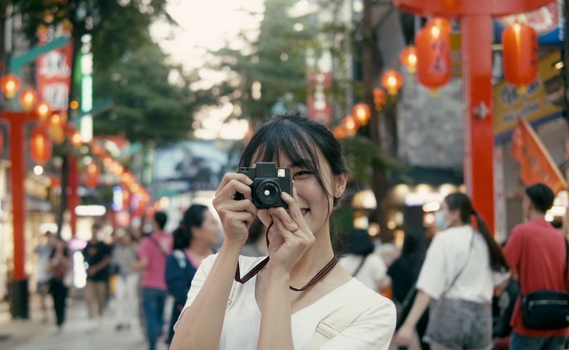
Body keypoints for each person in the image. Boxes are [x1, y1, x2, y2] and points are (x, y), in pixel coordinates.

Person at [171, 114, 396, 349]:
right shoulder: (220, 270)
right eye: (270, 178)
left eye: (301, 173)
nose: (287, 193)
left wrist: (280, 273)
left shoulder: (369, 311)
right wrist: (231, 243)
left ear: (339, 182)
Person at [396, 192, 510, 350]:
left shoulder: (444, 239)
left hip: (450, 316)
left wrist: (408, 326)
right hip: (481, 318)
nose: (439, 214)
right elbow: (503, 280)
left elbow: (427, 288)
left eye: (442, 209)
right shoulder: (484, 239)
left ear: (455, 214)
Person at [502, 183, 569, 349]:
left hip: (530, 322)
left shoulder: (521, 233)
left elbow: (503, 268)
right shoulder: (563, 239)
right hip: (560, 322)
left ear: (529, 203)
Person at [165, 204, 219, 345]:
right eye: (212, 222)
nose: (217, 228)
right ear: (196, 230)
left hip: (218, 335)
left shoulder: (221, 258)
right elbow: (183, 299)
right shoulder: (177, 260)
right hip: (188, 338)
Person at [135, 211, 173, 350]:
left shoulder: (147, 241)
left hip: (149, 284)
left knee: (150, 317)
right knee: (160, 316)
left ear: (155, 222)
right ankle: (162, 336)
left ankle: (152, 346)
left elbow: (144, 263)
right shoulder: (171, 239)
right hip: (165, 285)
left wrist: (134, 265)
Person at [387, 231, 429, 350]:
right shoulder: (425, 264)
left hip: (402, 308)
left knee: (402, 341)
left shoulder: (398, 263)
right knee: (424, 340)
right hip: (422, 309)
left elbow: (387, 282)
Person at [338, 228, 391, 293]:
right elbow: (382, 284)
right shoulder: (374, 259)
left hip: (351, 298)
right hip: (371, 299)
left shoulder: (344, 260)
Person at [82, 223, 111, 330]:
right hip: (89, 277)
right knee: (89, 297)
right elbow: (84, 259)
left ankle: (100, 315)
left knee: (100, 297)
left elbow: (107, 259)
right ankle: (91, 317)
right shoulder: (87, 246)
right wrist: (88, 269)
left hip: (101, 277)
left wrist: (97, 268)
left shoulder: (103, 246)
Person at [111, 230, 139, 331]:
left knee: (131, 297)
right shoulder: (117, 249)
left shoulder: (134, 248)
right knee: (120, 297)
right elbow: (114, 261)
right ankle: (120, 320)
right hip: (120, 276)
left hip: (131, 275)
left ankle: (130, 319)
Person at [47, 236, 71, 330]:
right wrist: (53, 264)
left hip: (64, 280)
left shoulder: (66, 254)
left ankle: (61, 318)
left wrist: (63, 261)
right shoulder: (52, 254)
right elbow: (48, 267)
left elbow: (69, 266)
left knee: (62, 300)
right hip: (54, 280)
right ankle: (57, 319)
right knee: (55, 301)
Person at [34, 231, 56, 323]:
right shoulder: (42, 247)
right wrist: (40, 239)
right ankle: (44, 314)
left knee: (50, 296)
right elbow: (35, 250)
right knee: (41, 297)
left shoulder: (53, 249)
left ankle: (53, 314)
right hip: (40, 276)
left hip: (49, 277)